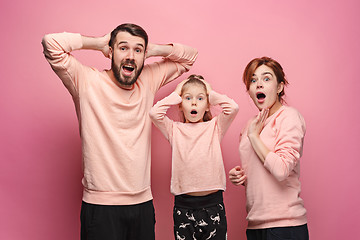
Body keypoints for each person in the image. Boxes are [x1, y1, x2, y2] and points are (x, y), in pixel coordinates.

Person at [42, 23, 198, 240]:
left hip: (142, 205)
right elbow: (51, 43)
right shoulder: (86, 81)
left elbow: (190, 56)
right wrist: (97, 43)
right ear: (111, 52)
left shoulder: (148, 80)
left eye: (138, 50)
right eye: (123, 48)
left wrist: (154, 49)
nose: (131, 56)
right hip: (100, 207)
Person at [149, 75, 239, 240]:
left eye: (200, 98)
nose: (194, 103)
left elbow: (232, 108)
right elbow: (154, 113)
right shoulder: (174, 129)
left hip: (213, 204)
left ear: (207, 106)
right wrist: (176, 93)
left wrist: (210, 91)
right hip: (184, 206)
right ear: (181, 105)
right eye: (188, 98)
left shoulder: (215, 127)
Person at [229, 57, 309, 240]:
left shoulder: (289, 117)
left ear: (280, 87)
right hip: (255, 224)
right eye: (253, 80)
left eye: (266, 79)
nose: (259, 85)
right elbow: (261, 169)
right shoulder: (250, 125)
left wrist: (254, 137)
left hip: (285, 226)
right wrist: (241, 177)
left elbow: (281, 170)